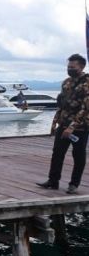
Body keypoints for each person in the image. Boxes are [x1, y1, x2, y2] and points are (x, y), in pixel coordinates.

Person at [37, 53, 89, 194]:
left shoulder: (87, 83)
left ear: (81, 67)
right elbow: (61, 106)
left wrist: (72, 126)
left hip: (80, 126)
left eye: (73, 67)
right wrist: (55, 125)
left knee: (78, 155)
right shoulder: (66, 82)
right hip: (63, 123)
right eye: (68, 66)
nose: (70, 69)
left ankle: (74, 184)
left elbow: (86, 108)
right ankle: (53, 181)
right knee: (57, 153)